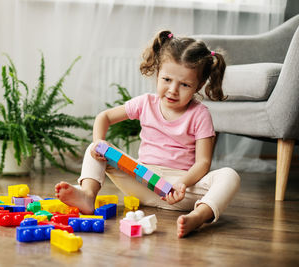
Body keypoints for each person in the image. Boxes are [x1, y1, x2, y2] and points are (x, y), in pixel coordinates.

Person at [55, 30, 240, 238]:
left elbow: (203, 163)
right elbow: (104, 117)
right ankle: (88, 195)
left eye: (185, 85)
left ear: (199, 85)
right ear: (158, 71)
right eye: (167, 79)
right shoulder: (145, 103)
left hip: (182, 189)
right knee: (95, 147)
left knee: (229, 175)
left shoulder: (200, 115)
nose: (173, 90)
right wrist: (99, 142)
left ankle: (198, 216)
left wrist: (183, 183)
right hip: (142, 178)